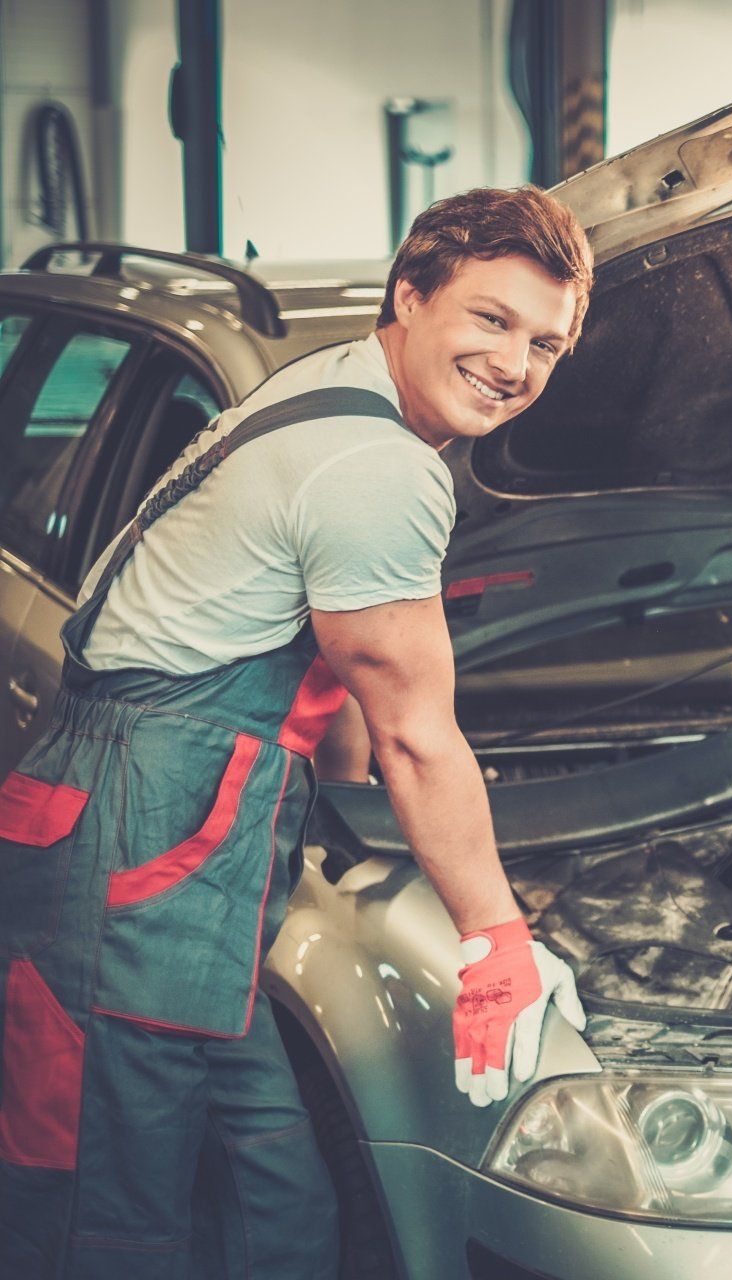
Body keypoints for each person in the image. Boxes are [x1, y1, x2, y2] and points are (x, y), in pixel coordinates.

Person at [0, 186, 593, 1279]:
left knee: (278, 1184)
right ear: (410, 296)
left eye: (548, 342)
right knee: (103, 1214)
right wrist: (495, 939)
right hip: (138, 841)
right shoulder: (376, 465)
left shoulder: (339, 385)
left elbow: (335, 667)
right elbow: (414, 732)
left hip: (175, 842)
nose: (518, 365)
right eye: (492, 320)